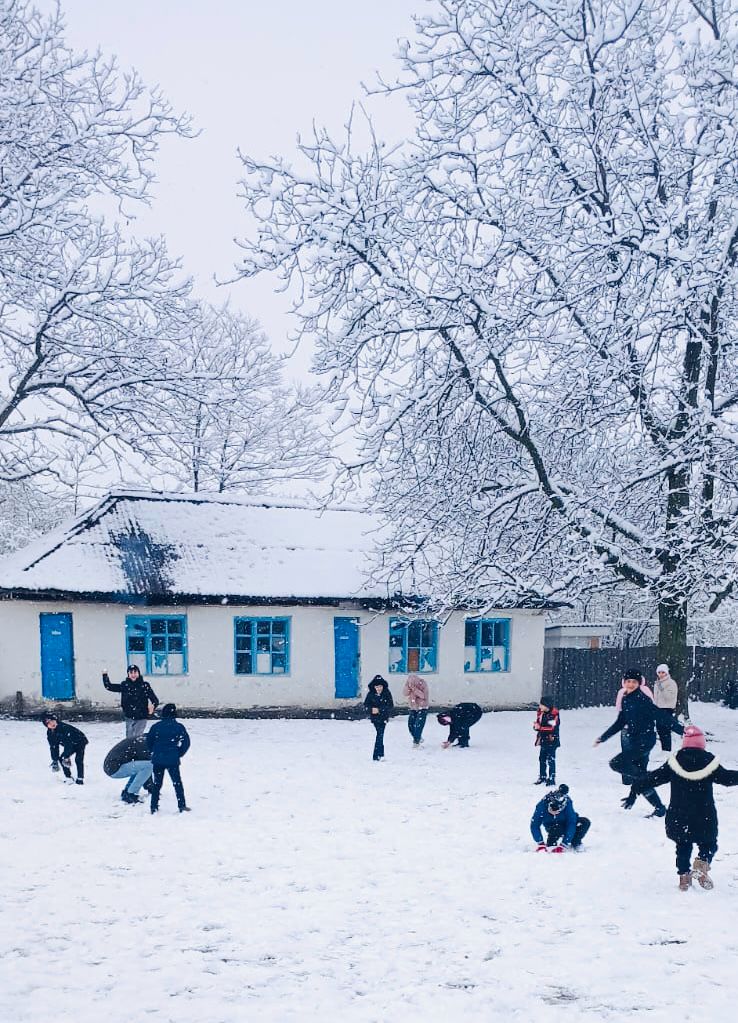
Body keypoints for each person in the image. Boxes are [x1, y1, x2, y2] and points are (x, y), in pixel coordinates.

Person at [633, 725, 738, 891]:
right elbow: (727, 778)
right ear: (702, 743)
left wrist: (637, 786)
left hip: (679, 814)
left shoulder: (675, 762)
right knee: (709, 843)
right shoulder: (708, 761)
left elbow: (655, 777)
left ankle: (683, 877)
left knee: (682, 845)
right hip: (704, 814)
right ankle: (702, 863)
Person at [594, 668, 669, 818]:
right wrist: (603, 737)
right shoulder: (626, 698)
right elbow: (620, 722)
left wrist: (682, 730)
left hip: (645, 740)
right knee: (638, 774)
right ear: (624, 683)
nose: (630, 684)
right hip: (634, 739)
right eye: (628, 681)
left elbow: (661, 716)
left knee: (616, 763)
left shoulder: (643, 698)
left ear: (639, 683)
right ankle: (659, 808)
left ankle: (650, 777)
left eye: (634, 682)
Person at [147, 703, 191, 813]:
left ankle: (154, 806)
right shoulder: (179, 727)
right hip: (172, 759)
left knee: (157, 784)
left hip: (158, 759)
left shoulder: (156, 727)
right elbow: (186, 742)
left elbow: (149, 741)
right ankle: (181, 805)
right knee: (177, 783)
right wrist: (179, 753)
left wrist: (154, 751)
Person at [102, 664, 159, 737]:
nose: (133, 675)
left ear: (138, 673)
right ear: (128, 674)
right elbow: (109, 686)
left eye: (135, 672)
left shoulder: (144, 685)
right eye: (131, 673)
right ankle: (130, 748)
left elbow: (155, 700)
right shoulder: (125, 685)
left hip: (142, 716)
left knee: (137, 736)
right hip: (129, 716)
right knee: (129, 738)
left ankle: (137, 747)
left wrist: (153, 706)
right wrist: (104, 675)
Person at [530, 784, 590, 852]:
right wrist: (540, 843)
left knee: (584, 822)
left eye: (558, 811)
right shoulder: (542, 805)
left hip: (565, 823)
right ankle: (551, 843)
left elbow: (571, 822)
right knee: (557, 828)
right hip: (553, 827)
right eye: (552, 811)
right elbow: (535, 824)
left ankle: (575, 841)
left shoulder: (567, 802)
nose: (555, 813)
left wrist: (564, 844)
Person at [103, 735, 154, 804]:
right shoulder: (144, 744)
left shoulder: (142, 740)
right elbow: (147, 766)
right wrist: (151, 788)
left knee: (142, 766)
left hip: (110, 767)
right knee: (149, 765)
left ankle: (127, 791)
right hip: (114, 769)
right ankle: (131, 794)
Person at [42, 712, 88, 785]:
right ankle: (68, 778)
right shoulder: (50, 733)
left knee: (78, 759)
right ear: (46, 725)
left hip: (80, 741)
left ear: (56, 720)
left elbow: (68, 744)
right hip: (69, 744)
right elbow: (54, 747)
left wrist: (66, 756)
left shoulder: (64, 728)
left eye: (53, 721)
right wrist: (55, 760)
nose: (52, 724)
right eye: (48, 723)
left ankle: (80, 778)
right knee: (61, 758)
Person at [364, 675, 394, 761]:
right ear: (374, 687)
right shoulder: (371, 694)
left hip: (383, 717)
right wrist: (371, 710)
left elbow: (390, 706)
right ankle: (380, 754)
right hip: (374, 718)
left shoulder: (386, 693)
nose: (379, 688)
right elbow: (366, 706)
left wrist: (379, 710)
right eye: (377, 686)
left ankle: (377, 755)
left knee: (380, 734)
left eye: (380, 686)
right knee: (380, 735)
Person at [652, 663, 680, 751]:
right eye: (659, 672)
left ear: (666, 673)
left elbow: (669, 697)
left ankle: (667, 750)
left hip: (667, 709)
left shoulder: (671, 683)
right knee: (660, 730)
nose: (661, 674)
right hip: (658, 709)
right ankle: (663, 749)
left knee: (665, 730)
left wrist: (662, 689)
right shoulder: (657, 683)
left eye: (663, 672)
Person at [534, 696, 560, 786]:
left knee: (551, 760)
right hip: (543, 740)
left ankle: (552, 778)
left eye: (542, 704)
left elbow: (551, 728)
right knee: (542, 759)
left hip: (552, 740)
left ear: (546, 705)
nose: (540, 706)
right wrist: (536, 726)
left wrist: (540, 728)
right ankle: (542, 776)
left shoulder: (554, 714)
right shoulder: (541, 713)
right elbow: (539, 722)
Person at [403, 673, 429, 747]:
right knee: (411, 725)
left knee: (418, 725)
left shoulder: (423, 684)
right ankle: (418, 737)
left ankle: (416, 742)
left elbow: (423, 695)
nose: (411, 683)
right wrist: (408, 687)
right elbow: (405, 693)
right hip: (413, 707)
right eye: (410, 682)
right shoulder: (408, 684)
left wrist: (414, 689)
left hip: (422, 707)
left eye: (413, 682)